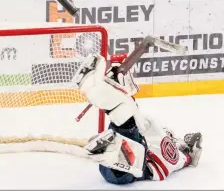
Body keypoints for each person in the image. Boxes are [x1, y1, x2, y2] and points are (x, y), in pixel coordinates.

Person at [71, 53, 203, 184]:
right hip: (118, 167)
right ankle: (105, 99)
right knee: (125, 117)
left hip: (130, 168)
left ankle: (102, 95)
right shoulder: (175, 152)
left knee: (126, 118)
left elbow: (140, 128)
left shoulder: (178, 156)